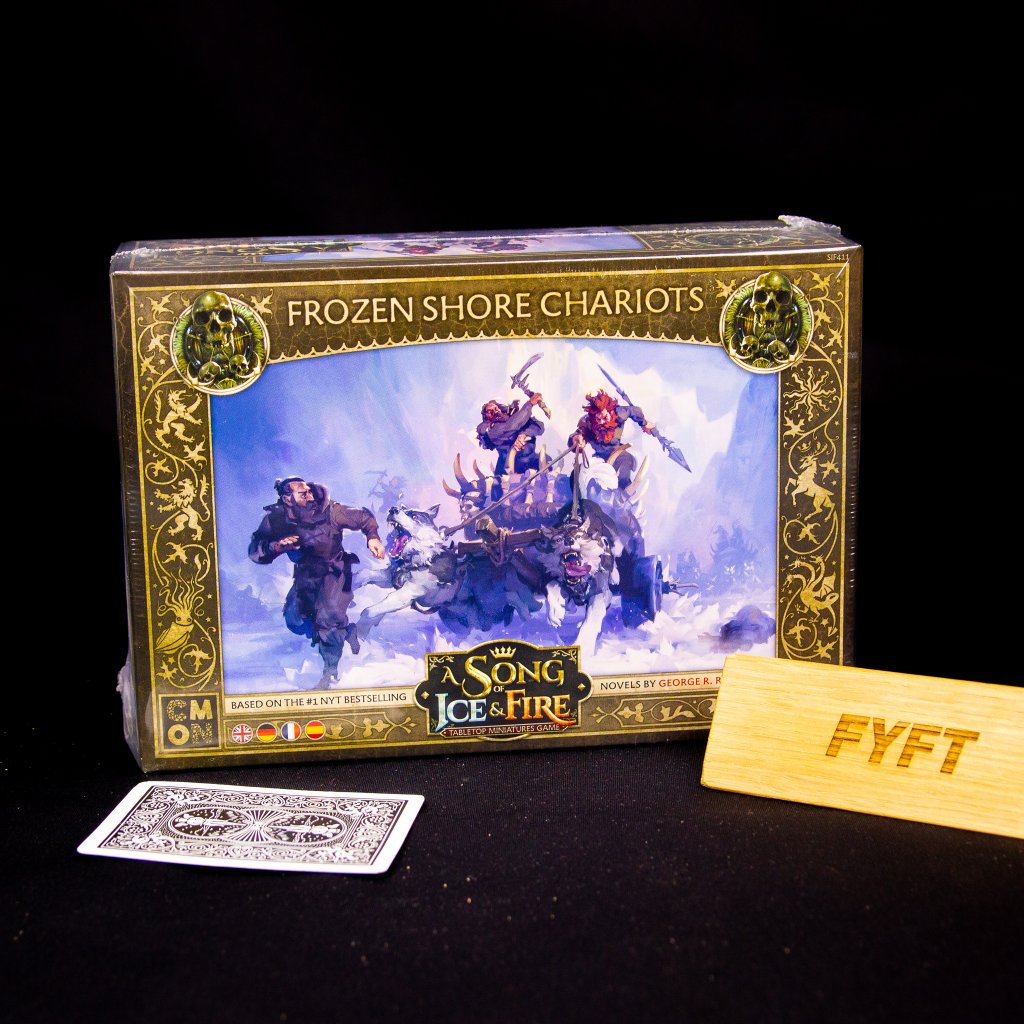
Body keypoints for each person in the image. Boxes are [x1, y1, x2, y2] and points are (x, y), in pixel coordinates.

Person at [249, 477, 385, 687]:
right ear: (287, 498)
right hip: (306, 575)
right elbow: (255, 551)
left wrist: (372, 537)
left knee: (329, 619)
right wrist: (276, 547)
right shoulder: (276, 519)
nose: (310, 496)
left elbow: (364, 517)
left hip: (335, 572)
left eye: (309, 491)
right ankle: (344, 632)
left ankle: (330, 673)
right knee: (294, 620)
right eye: (303, 493)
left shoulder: (331, 511)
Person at [568, 389, 655, 488]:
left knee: (627, 460)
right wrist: (576, 439)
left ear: (609, 411)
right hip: (599, 457)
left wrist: (644, 423)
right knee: (586, 473)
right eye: (598, 419)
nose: (601, 422)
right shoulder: (588, 421)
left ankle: (624, 489)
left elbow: (635, 410)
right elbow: (579, 433)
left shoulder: (619, 414)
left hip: (617, 453)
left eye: (605, 418)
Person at [476, 393, 546, 497]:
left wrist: (524, 434)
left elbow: (539, 426)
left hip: (531, 461)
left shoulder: (514, 416)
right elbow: (511, 427)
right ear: (486, 416)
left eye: (496, 408)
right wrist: (529, 404)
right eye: (490, 411)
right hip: (506, 471)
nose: (495, 411)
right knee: (498, 495)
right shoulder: (488, 429)